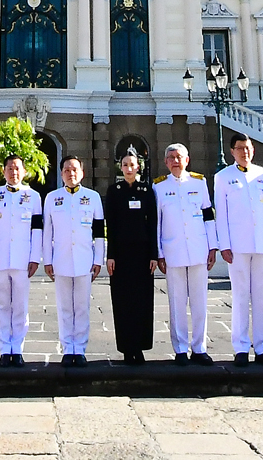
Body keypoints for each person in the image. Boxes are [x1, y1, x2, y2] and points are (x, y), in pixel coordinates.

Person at [214, 134, 263, 367]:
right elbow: (220, 214)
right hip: (238, 245)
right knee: (241, 296)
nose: (245, 152)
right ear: (232, 151)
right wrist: (225, 245)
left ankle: (262, 347)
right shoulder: (223, 177)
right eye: (240, 148)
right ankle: (241, 346)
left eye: (248, 148)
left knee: (261, 297)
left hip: (262, 243)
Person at [155, 143, 216, 365]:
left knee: (200, 302)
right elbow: (157, 224)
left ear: (187, 160)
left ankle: (199, 348)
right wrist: (159, 253)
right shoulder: (159, 187)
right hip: (173, 251)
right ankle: (180, 348)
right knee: (177, 303)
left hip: (199, 249)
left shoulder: (199, 183)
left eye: (179, 157)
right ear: (165, 162)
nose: (175, 161)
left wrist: (213, 246)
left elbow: (208, 215)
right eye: (171, 157)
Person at [0, 154, 43, 367]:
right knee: (0, 305)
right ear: (3, 171)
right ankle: (4, 348)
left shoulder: (33, 196)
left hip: (22, 259)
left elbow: (37, 230)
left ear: (24, 171)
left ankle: (17, 348)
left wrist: (35, 257)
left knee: (20, 305)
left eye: (17, 168)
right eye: (9, 168)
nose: (13, 172)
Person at [44, 156, 105, 366]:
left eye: (75, 170)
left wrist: (99, 259)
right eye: (67, 170)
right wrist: (47, 259)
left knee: (82, 306)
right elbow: (47, 232)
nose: (71, 174)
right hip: (60, 259)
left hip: (84, 259)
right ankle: (66, 347)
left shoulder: (93, 197)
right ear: (61, 174)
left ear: (82, 173)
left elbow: (99, 232)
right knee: (64, 307)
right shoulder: (52, 198)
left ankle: (79, 348)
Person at [103, 149, 157, 365]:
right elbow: (111, 225)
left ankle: (140, 346)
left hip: (143, 254)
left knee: (142, 302)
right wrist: (111, 255)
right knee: (123, 301)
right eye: (124, 165)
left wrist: (153, 254)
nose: (128, 168)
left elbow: (152, 223)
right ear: (120, 167)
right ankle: (127, 347)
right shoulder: (114, 191)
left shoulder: (146, 190)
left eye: (132, 165)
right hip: (122, 254)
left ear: (138, 167)